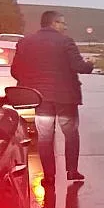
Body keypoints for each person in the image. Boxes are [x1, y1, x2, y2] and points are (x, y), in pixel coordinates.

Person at [11, 10, 94, 187]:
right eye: (63, 23)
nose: (65, 26)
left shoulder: (25, 42)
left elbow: (15, 71)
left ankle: (49, 176)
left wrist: (31, 82)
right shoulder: (66, 42)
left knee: (45, 137)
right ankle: (72, 171)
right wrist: (90, 64)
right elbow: (80, 67)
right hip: (66, 98)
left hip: (39, 98)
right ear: (54, 23)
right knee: (70, 134)